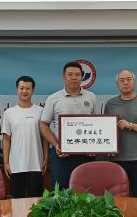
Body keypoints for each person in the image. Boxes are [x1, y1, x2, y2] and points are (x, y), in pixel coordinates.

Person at [40, 61, 96, 189]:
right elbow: (43, 125)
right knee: (61, 193)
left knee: (85, 191)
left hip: (86, 154)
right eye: (70, 74)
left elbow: (95, 123)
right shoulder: (53, 98)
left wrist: (94, 147)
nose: (73, 77)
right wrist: (56, 144)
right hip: (61, 154)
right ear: (64, 77)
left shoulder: (91, 97)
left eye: (77, 74)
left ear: (82, 77)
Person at [104, 70, 137, 198]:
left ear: (134, 82)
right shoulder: (110, 104)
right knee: (117, 199)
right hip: (116, 159)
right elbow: (105, 130)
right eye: (122, 80)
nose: (125, 83)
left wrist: (131, 125)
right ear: (117, 84)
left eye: (129, 79)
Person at [2, 76, 48, 198]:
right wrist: (6, 162)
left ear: (33, 90)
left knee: (36, 201)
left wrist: (45, 158)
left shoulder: (40, 111)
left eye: (28, 88)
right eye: (21, 88)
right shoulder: (9, 113)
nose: (24, 91)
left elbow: (45, 138)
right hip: (16, 165)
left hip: (36, 164)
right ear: (17, 90)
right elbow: (6, 139)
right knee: (17, 202)